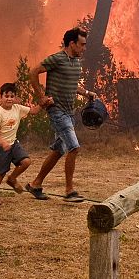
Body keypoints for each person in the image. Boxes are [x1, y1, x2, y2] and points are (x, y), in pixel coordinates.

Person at [25, 27, 96, 203]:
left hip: (69, 112)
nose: (84, 48)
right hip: (57, 111)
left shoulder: (76, 62)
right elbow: (33, 72)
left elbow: (72, 84)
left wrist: (87, 92)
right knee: (74, 147)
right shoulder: (57, 58)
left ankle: (35, 184)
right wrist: (41, 97)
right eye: (81, 44)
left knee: (58, 150)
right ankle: (69, 191)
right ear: (72, 43)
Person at [0, 82, 42, 204]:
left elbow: (33, 111)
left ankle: (12, 179)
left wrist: (43, 103)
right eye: (6, 96)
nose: (9, 99)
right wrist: (3, 143)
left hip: (14, 144)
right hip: (1, 147)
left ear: (15, 98)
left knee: (26, 161)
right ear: (1, 97)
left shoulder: (17, 108)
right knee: (1, 173)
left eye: (12, 96)